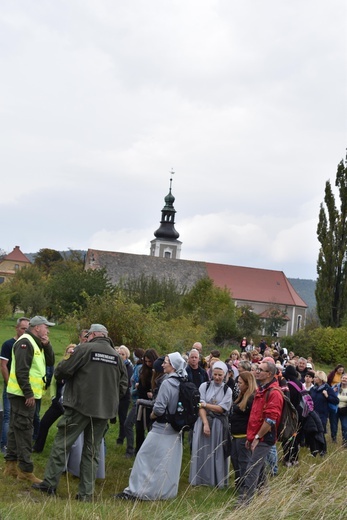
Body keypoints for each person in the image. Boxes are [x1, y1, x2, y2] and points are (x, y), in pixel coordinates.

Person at [32, 323, 128, 501]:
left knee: (62, 444)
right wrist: (109, 399)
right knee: (92, 452)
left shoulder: (84, 349)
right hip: (103, 411)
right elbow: (123, 385)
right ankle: (86, 494)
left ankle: (49, 484)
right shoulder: (117, 356)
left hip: (79, 407)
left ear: (92, 335)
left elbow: (61, 372)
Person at [114, 352, 187, 501]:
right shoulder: (183, 381)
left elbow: (159, 408)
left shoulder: (167, 382)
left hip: (161, 427)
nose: (163, 364)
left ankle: (136, 491)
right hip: (175, 428)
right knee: (167, 462)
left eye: (166, 361)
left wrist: (152, 415)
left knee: (143, 456)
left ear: (173, 365)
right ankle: (163, 492)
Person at [4, 316, 55, 483]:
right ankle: (25, 470)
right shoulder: (26, 343)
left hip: (23, 393)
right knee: (25, 429)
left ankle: (10, 465)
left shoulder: (36, 342)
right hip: (23, 395)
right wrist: (28, 393)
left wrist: (47, 345)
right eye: (45, 327)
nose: (48, 330)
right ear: (37, 328)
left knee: (15, 428)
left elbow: (50, 361)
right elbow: (21, 370)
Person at [32, 329, 89, 454]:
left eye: (72, 353)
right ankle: (38, 447)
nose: (71, 354)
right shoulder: (62, 365)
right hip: (58, 401)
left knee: (70, 430)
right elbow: (53, 381)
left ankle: (67, 454)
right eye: (69, 353)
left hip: (73, 403)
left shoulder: (81, 363)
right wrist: (53, 398)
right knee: (44, 423)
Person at [237, 361, 284, 505]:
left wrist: (257, 437)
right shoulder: (262, 390)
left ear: (269, 374)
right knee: (260, 467)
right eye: (257, 369)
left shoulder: (274, 393)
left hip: (264, 437)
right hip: (256, 436)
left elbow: (270, 420)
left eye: (260, 370)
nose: (257, 371)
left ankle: (246, 502)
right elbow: (255, 416)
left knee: (252, 468)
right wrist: (250, 437)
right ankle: (265, 495)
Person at [189, 361, 232, 488]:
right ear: (211, 373)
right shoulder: (204, 386)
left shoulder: (227, 390)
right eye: (215, 374)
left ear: (224, 375)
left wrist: (206, 405)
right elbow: (198, 405)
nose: (217, 377)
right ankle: (200, 479)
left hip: (218, 424)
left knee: (216, 451)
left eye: (220, 375)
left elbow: (222, 409)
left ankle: (216, 480)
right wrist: (205, 423)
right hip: (202, 421)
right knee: (201, 449)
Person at [0, 317, 30, 453]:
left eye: (27, 329)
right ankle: (5, 446)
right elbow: (3, 366)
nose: (25, 331)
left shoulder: (30, 345)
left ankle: (21, 445)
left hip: (26, 388)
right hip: (12, 387)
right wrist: (9, 384)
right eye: (23, 328)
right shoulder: (8, 344)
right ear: (16, 328)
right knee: (8, 416)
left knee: (24, 417)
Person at [229, 371, 256, 494]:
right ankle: (239, 485)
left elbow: (253, 419)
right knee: (235, 461)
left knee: (244, 463)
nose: (238, 385)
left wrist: (251, 437)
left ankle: (246, 489)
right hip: (235, 435)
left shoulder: (251, 399)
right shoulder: (241, 395)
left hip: (244, 436)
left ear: (247, 384)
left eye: (240, 383)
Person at [310, 370, 339, 454]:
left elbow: (336, 400)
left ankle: (323, 450)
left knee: (320, 432)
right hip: (312, 413)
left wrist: (327, 396)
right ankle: (315, 450)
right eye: (314, 377)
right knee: (313, 431)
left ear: (321, 378)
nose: (314, 379)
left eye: (316, 377)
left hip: (322, 414)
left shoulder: (327, 388)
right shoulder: (313, 388)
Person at [123, 348, 144, 458]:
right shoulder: (137, 367)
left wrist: (134, 390)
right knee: (137, 427)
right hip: (136, 400)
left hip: (138, 401)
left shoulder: (140, 368)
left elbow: (138, 384)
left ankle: (130, 450)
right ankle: (136, 449)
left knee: (128, 424)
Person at [116, 345, 134, 446]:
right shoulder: (114, 365)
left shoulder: (129, 367)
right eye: (119, 354)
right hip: (114, 395)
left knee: (123, 418)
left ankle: (121, 439)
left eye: (123, 354)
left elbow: (127, 383)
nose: (121, 356)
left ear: (126, 356)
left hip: (124, 396)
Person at [335, 373, 347, 447]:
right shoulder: (336, 387)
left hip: (345, 410)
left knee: (345, 426)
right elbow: (331, 396)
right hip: (335, 410)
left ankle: (345, 441)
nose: (344, 380)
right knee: (334, 426)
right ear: (341, 379)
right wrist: (333, 391)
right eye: (343, 378)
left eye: (346, 378)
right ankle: (333, 439)